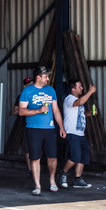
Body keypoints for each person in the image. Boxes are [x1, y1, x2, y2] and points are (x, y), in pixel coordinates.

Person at [18, 65, 67, 196]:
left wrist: (61, 127)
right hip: (33, 129)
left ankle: (52, 180)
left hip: (49, 129)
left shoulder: (50, 90)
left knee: (52, 157)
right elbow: (21, 111)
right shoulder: (27, 91)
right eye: (46, 76)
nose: (48, 78)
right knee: (35, 158)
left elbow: (56, 110)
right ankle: (37, 185)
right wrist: (38, 110)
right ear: (38, 77)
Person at [58, 79, 97, 188]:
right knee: (75, 157)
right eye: (79, 87)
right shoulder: (69, 99)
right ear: (73, 89)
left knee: (83, 157)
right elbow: (78, 103)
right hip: (72, 133)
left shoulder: (77, 100)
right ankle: (63, 173)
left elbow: (80, 113)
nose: (82, 89)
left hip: (81, 134)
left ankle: (78, 179)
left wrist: (90, 113)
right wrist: (90, 92)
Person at [14, 76, 33, 175]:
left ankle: (35, 168)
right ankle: (30, 170)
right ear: (24, 86)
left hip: (36, 125)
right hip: (26, 125)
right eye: (28, 85)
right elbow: (15, 111)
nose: (30, 86)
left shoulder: (36, 96)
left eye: (31, 84)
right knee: (27, 148)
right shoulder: (20, 97)